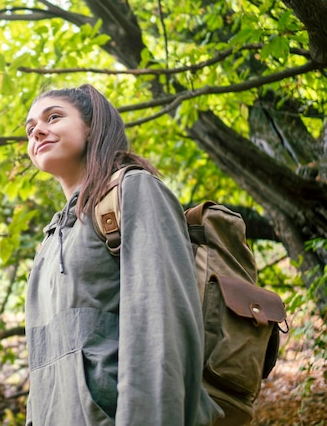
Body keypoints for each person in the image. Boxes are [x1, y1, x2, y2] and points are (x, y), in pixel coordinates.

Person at [23, 84, 224, 425]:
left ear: (91, 126)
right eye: (30, 129)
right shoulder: (50, 240)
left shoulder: (134, 191)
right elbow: (44, 367)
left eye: (53, 117)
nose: (37, 131)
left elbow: (160, 330)